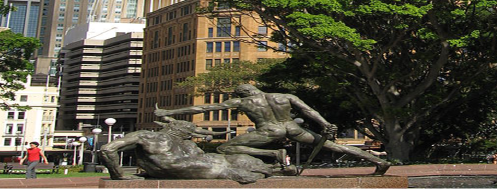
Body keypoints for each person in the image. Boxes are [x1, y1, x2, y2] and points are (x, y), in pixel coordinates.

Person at [155, 84, 390, 175]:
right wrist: (325, 124)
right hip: (291, 127)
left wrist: (169, 113)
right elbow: (308, 112)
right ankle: (377, 162)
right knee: (332, 145)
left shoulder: (243, 102)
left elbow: (203, 108)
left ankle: (273, 156)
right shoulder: (285, 96)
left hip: (270, 130)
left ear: (244, 94)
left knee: (227, 147)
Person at [99, 116, 280, 183]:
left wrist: (118, 174)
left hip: (192, 169)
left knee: (237, 161)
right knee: (236, 160)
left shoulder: (150, 136)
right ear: (186, 133)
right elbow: (107, 149)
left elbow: (108, 150)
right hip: (206, 168)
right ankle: (272, 170)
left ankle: (273, 170)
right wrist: (119, 176)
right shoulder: (150, 136)